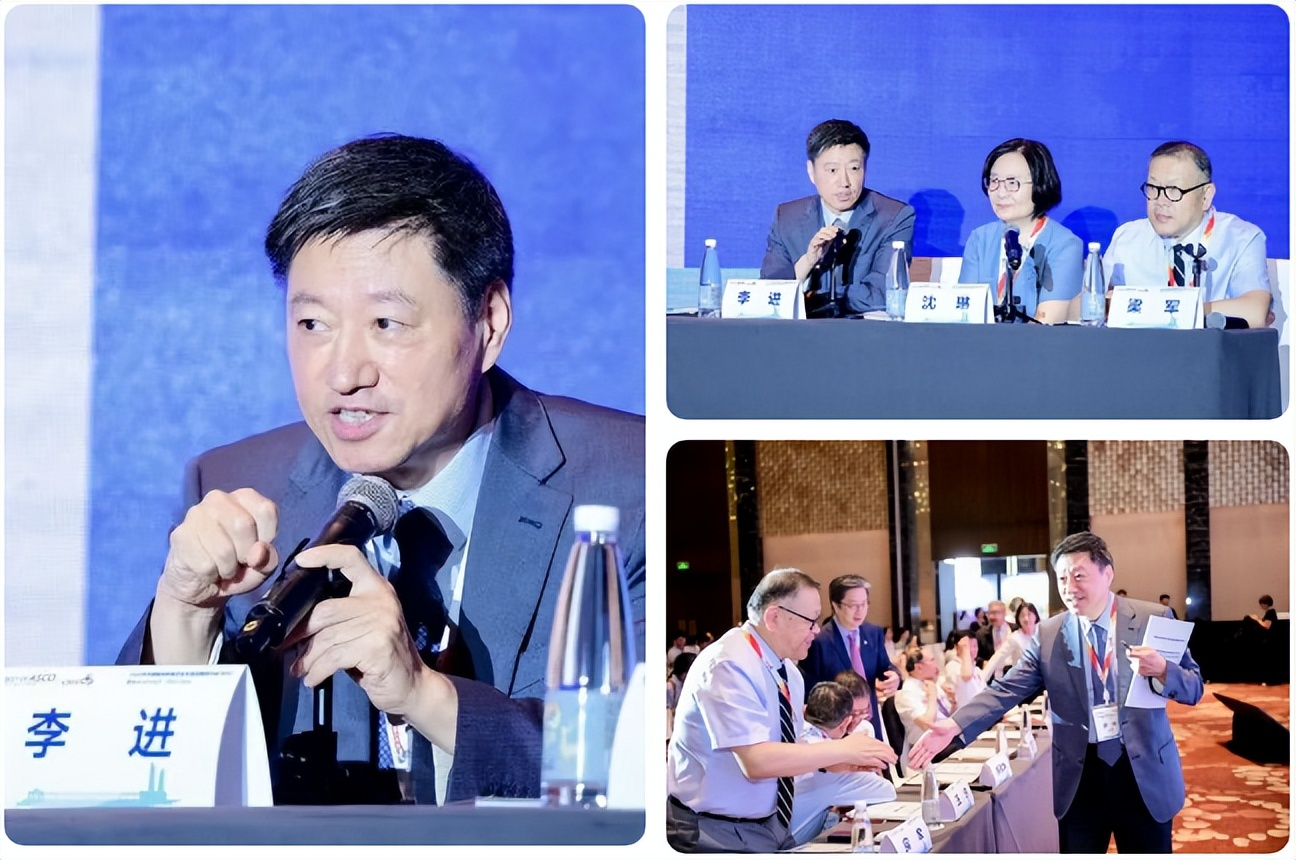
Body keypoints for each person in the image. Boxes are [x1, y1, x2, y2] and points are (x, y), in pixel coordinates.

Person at [117, 134, 645, 805]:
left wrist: (427, 697)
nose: (343, 373)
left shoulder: (632, 487)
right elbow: (141, 781)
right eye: (313, 324)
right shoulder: (236, 485)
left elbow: (642, 767)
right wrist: (184, 616)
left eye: (387, 323)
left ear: (489, 322)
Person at [909, 532, 1204, 853]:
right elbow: (1006, 689)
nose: (1069, 587)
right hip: (1081, 777)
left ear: (1107, 573)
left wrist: (1163, 669)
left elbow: (1193, 688)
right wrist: (955, 724)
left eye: (1079, 576)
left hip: (1143, 774)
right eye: (1062, 578)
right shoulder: (1049, 633)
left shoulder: (1152, 619)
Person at [667, 568, 896, 853]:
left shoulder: (788, 670)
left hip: (768, 822)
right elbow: (757, 761)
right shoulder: (728, 664)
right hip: (714, 828)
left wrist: (834, 762)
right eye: (811, 621)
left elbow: (787, 745)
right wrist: (841, 749)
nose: (816, 630)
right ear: (774, 617)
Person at [1103, 140, 1272, 329]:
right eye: (1153, 188)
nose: (1161, 201)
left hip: (1208, 347)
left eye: (1174, 191)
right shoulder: (1127, 237)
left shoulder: (1240, 238)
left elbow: (1255, 311)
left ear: (1206, 196)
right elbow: (1087, 307)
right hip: (1138, 346)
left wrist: (1165, 310)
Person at [760, 119, 915, 318]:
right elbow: (768, 292)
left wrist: (813, 299)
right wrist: (807, 262)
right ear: (811, 171)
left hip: (863, 333)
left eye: (854, 168)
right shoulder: (787, 218)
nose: (844, 182)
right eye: (832, 170)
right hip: (798, 333)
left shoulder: (894, 217)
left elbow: (882, 293)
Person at [958, 138, 1082, 323]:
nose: (1000, 193)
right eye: (994, 181)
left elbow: (1047, 322)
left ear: (1040, 184)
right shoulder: (980, 239)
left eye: (1012, 183)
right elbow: (963, 312)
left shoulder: (1065, 245)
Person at [791, 681, 897, 845]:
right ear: (845, 723)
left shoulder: (789, 736)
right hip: (791, 847)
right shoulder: (835, 762)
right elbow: (886, 791)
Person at [800, 574, 901, 742]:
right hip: (836, 729)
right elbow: (811, 693)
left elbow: (885, 667)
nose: (860, 610)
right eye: (853, 605)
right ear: (836, 605)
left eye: (864, 604)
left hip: (869, 721)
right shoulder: (819, 642)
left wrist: (894, 676)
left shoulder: (873, 633)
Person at [980, 601, 1041, 681]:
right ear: (1018, 619)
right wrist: (982, 679)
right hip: (1023, 680)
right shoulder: (1015, 637)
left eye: (1029, 614)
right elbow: (997, 657)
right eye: (1022, 615)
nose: (1026, 619)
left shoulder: (1042, 633)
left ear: (1035, 616)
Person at [974, 599, 1015, 669]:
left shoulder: (1015, 630)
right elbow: (974, 656)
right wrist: (982, 663)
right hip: (992, 671)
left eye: (996, 613)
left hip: (1013, 670)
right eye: (990, 613)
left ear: (1004, 613)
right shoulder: (981, 634)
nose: (992, 617)